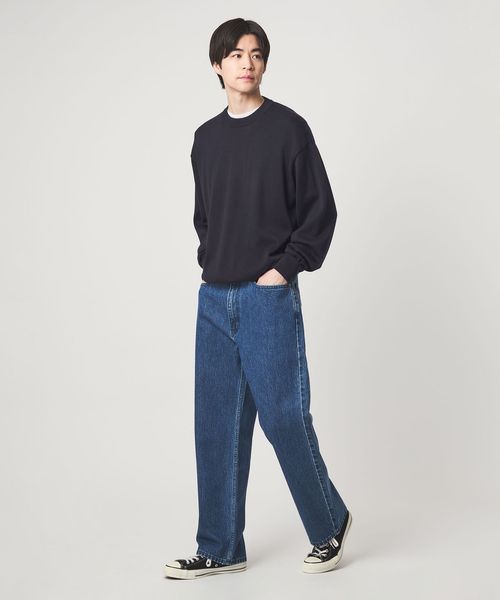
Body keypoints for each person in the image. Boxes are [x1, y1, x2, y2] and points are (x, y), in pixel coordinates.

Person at [165, 17, 352, 580]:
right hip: (214, 299)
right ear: (217, 65)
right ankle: (221, 547)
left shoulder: (289, 129)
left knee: (284, 416)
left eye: (256, 53)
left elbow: (320, 211)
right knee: (215, 426)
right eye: (235, 54)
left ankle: (330, 524)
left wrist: (283, 270)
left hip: (267, 296)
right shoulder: (205, 138)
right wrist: (214, 263)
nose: (246, 63)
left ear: (264, 63)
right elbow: (205, 217)